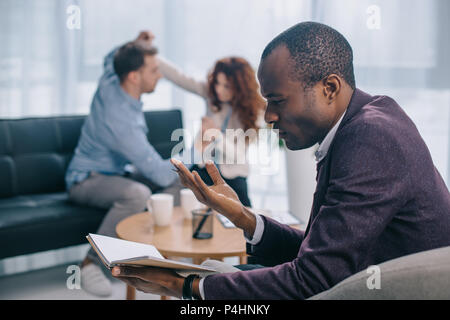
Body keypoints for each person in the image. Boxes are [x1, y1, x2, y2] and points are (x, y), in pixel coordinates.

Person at [110, 22, 450, 299]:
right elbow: (318, 255)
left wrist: (182, 284)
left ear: (329, 87)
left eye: (277, 100)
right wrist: (242, 215)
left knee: (207, 290)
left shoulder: (371, 138)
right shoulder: (359, 123)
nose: (269, 116)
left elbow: (311, 278)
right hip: (356, 276)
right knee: (223, 274)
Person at [65, 31, 191, 297]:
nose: (160, 75)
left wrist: (137, 43)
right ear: (134, 76)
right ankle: (89, 263)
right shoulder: (121, 124)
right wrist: (198, 148)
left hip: (118, 173)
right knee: (139, 193)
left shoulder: (112, 80)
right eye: (155, 70)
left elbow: (112, 58)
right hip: (86, 180)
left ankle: (156, 255)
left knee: (183, 185)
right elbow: (159, 174)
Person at [157, 47, 266, 207]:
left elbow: (238, 155)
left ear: (241, 87)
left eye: (226, 86)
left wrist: (215, 133)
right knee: (180, 205)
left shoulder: (255, 111)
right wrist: (152, 54)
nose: (218, 90)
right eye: (217, 83)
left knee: (243, 222)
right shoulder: (211, 94)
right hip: (203, 168)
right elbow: (180, 77)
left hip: (233, 176)